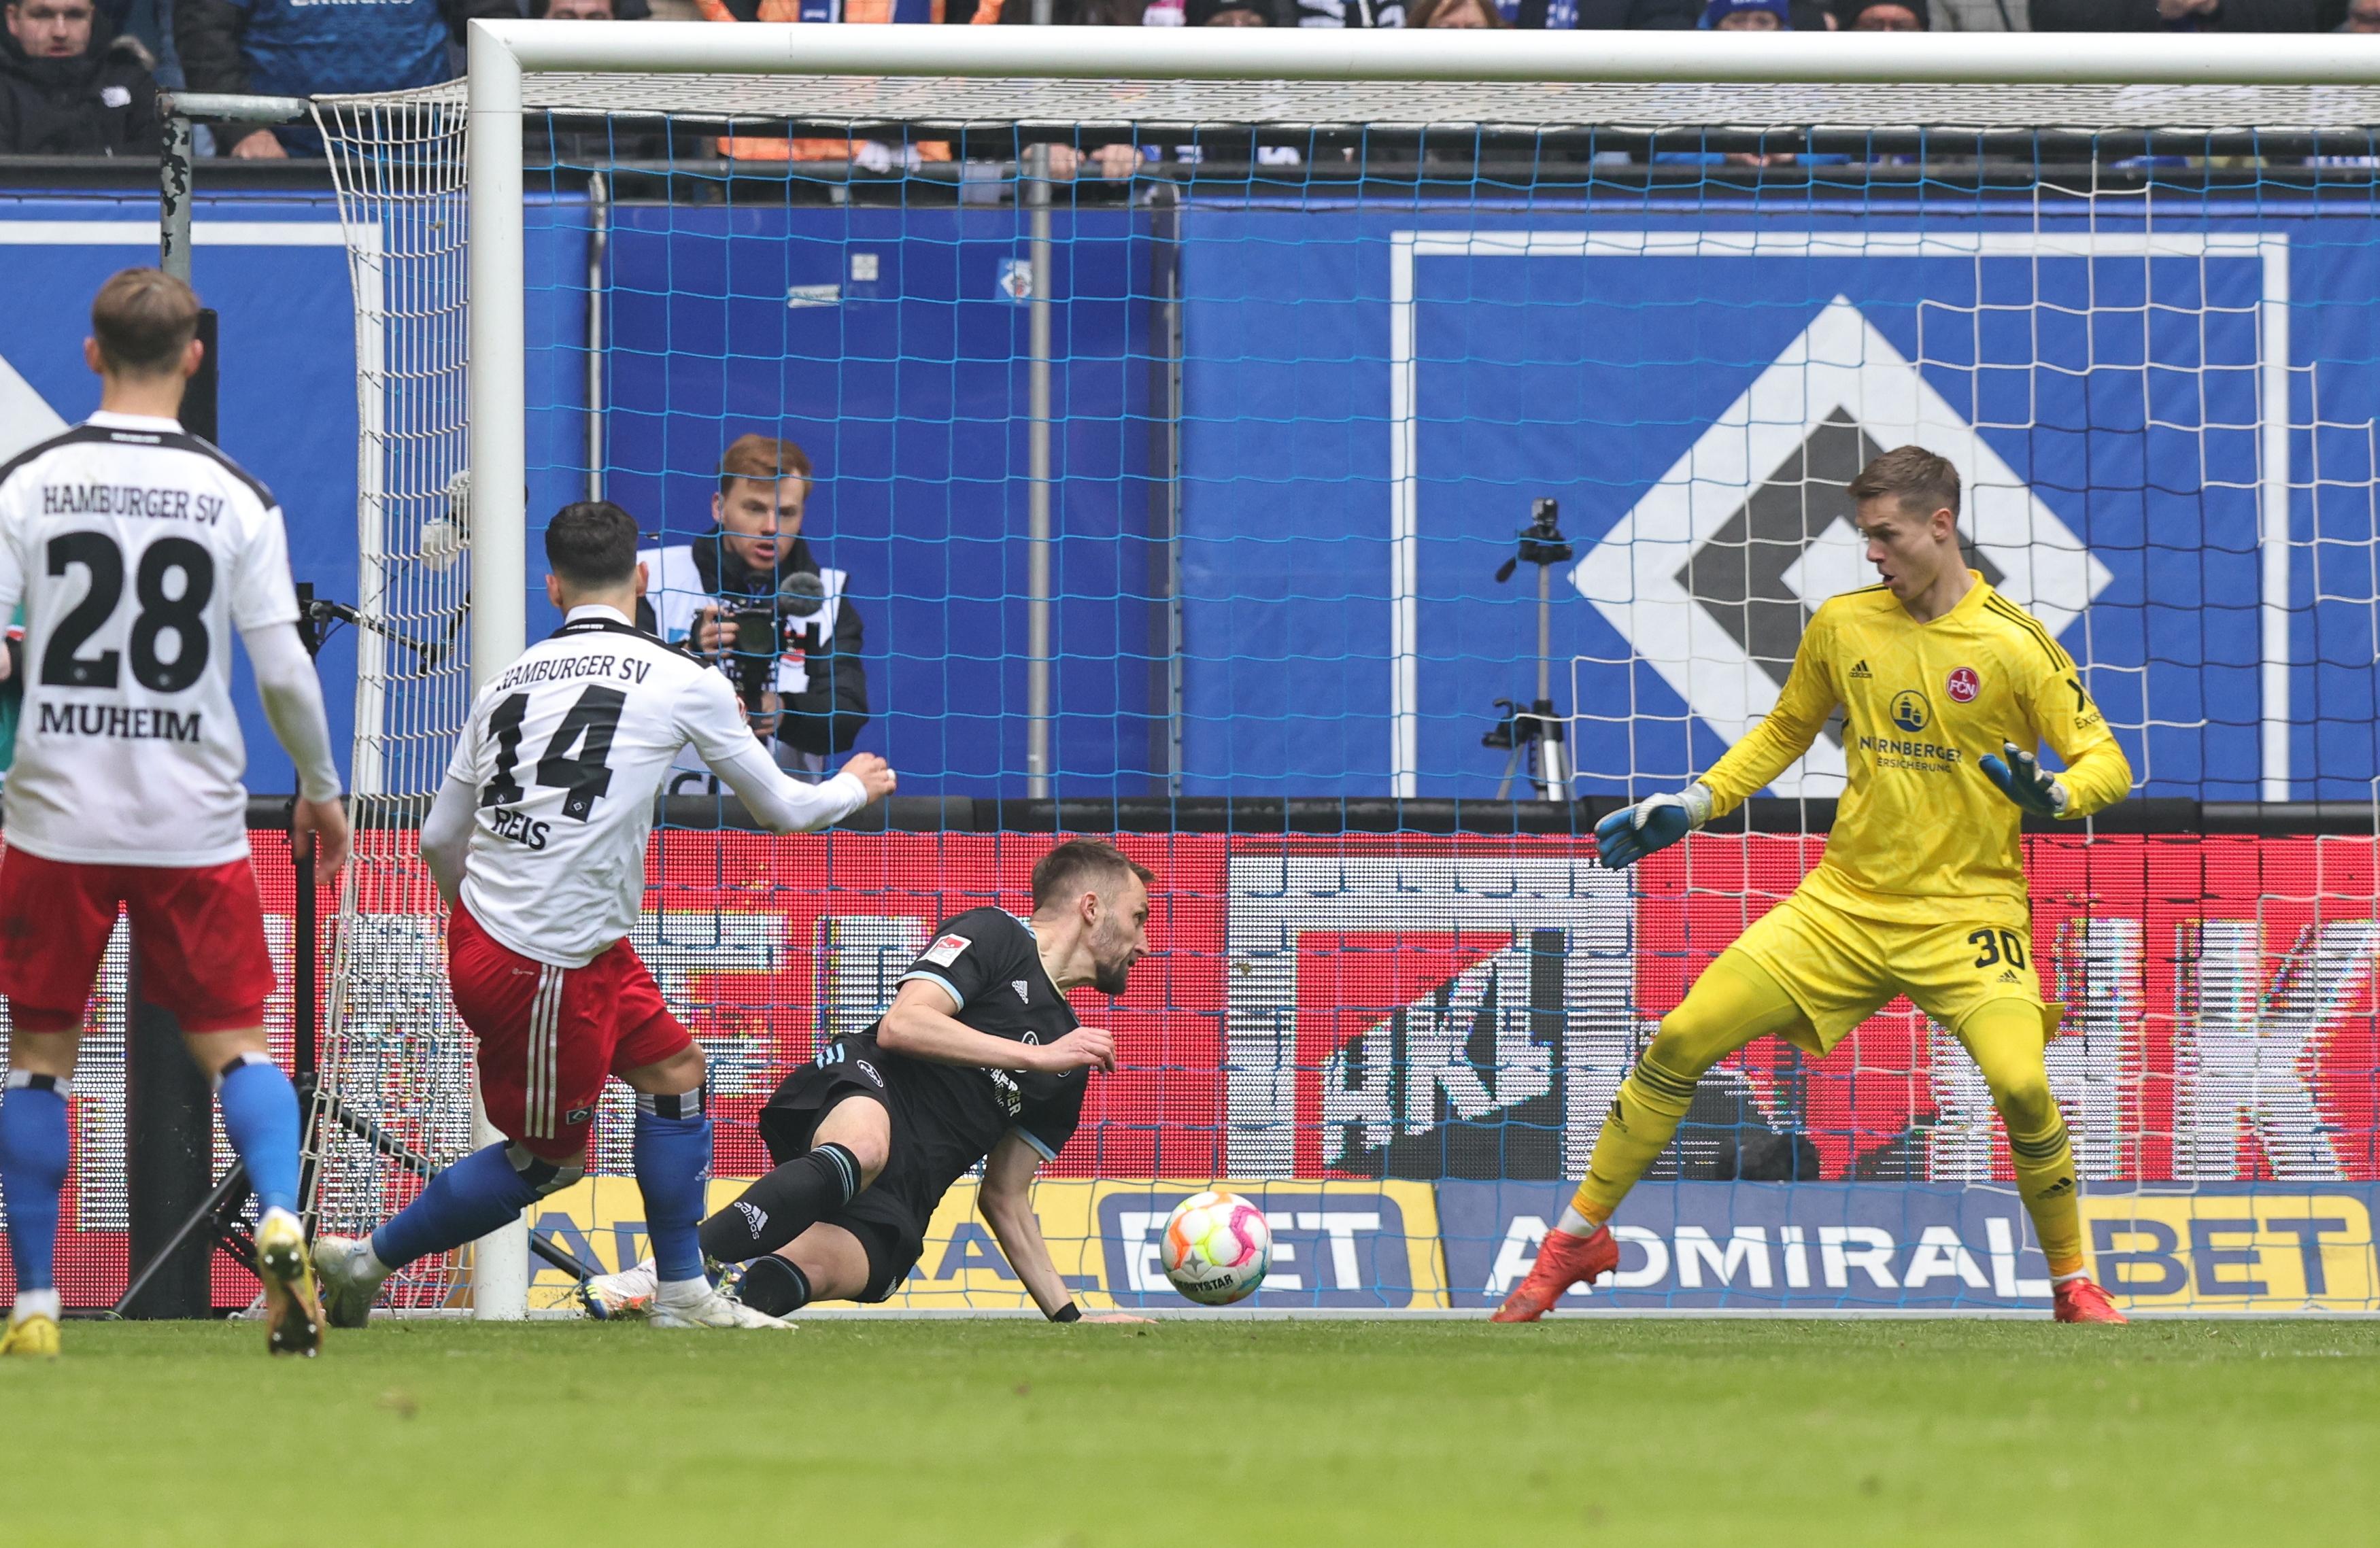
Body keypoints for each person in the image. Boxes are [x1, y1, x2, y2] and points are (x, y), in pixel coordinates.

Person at [1494, 446, 2136, 1326]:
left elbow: (2109, 762)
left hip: (1968, 916)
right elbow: (1787, 729)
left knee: (2023, 1088)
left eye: (1886, 535)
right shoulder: (1843, 624)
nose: (1873, 553)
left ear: (1940, 527)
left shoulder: (2012, 645)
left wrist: (2058, 792)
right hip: (1844, 906)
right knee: (1680, 1034)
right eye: (1865, 536)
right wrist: (1696, 801)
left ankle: (2073, 1283)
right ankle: (1576, 1240)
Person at [309, 502, 895, 1330]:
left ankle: (684, 1291)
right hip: (545, 958)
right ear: (643, 579)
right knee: (549, 1163)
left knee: (676, 1075)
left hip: (545, 942)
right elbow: (788, 811)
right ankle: (364, 1262)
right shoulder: (679, 678)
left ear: (552, 588)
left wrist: (476, 919)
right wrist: (856, 785)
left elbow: (440, 837)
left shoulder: (505, 684)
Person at [0, 269, 350, 1359]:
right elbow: (285, 670)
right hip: (189, 816)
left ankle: (39, 1304)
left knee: (39, 1058)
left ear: (91, 353)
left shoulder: (27, 482)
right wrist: (321, 788)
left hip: (54, 809)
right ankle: (284, 1217)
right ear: (194, 355)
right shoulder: (235, 494)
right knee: (240, 1050)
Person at [581, 838, 1155, 1324]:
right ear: (1090, 907)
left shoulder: (1069, 1061)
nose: (1145, 944)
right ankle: (658, 1273)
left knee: (824, 1268)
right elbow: (903, 1025)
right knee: (866, 1145)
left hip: (911, 1187)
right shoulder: (997, 937)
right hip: (868, 1084)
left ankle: (680, 1316)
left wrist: (1071, 1319)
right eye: (1138, 918)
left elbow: (1004, 1196)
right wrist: (1034, 1058)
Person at [637, 434, 869, 785]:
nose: (771, 528)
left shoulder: (828, 597)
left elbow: (847, 715)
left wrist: (786, 713)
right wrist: (689, 653)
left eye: (787, 513)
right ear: (719, 506)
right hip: (667, 825)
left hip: (780, 830)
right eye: (755, 508)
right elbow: (621, 701)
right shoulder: (654, 579)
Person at [174, 0, 518, 158]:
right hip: (284, 162)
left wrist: (470, 122)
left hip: (422, 162)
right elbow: (204, 35)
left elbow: (494, 25)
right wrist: (242, 129)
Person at [0, 0, 156, 156]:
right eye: (43, 15)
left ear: (92, 17)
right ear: (13, 19)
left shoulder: (134, 83)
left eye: (75, 15)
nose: (60, 32)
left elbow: (161, 160)